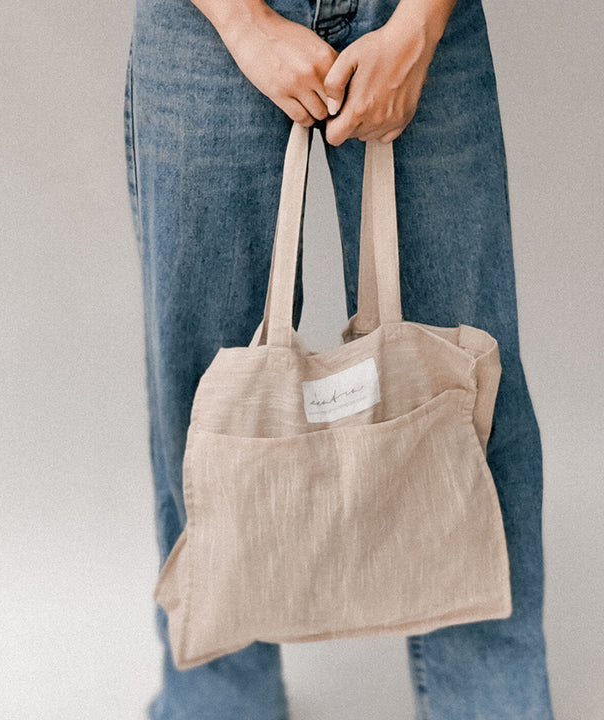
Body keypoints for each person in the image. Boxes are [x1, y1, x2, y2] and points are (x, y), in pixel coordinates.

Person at [124, 0, 555, 717]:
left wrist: (419, 23)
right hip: (203, 22)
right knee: (202, 396)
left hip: (413, 12)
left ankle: (491, 705)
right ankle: (221, 703)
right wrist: (241, 20)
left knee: (472, 396)